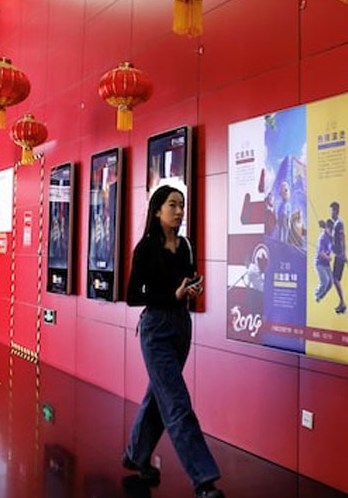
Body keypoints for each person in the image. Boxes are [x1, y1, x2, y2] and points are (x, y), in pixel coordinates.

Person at [124, 186, 223, 498]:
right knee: (177, 403)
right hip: (156, 329)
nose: (179, 211)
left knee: (159, 396)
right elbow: (132, 297)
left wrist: (192, 289)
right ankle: (204, 480)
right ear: (157, 211)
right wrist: (172, 296)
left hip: (181, 326)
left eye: (182, 206)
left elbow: (188, 278)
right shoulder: (144, 249)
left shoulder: (186, 246)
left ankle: (135, 456)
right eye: (172, 205)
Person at [329, 202, 347, 314]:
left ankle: (343, 303)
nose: (330, 213)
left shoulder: (339, 224)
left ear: (335, 211)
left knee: (335, 279)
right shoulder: (336, 223)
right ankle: (342, 303)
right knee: (335, 279)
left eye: (331, 210)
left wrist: (343, 254)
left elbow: (341, 239)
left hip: (339, 255)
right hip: (338, 254)